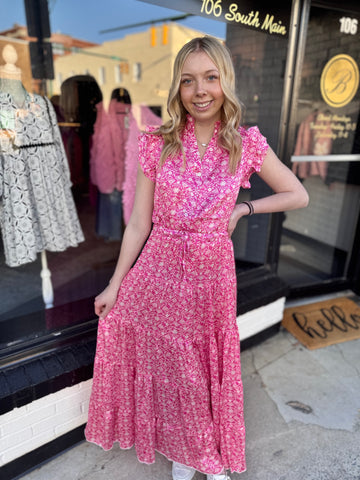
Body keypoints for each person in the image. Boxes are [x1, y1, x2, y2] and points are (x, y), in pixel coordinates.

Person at [85, 36, 309, 480]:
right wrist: (115, 283)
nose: (200, 90)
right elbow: (138, 223)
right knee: (170, 364)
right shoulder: (158, 142)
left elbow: (297, 195)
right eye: (188, 81)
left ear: (225, 81)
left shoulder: (246, 145)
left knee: (200, 368)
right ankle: (189, 454)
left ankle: (199, 452)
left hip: (211, 274)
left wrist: (243, 208)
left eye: (210, 77)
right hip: (159, 268)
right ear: (178, 88)